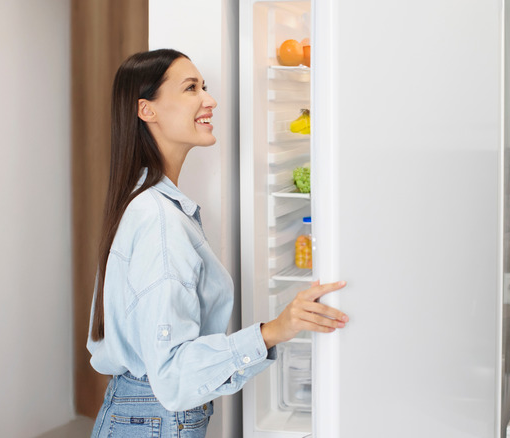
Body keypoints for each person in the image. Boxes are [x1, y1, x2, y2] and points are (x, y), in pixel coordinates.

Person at [87, 49, 347, 438]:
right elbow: (173, 376)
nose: (209, 99)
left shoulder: (149, 204)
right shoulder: (159, 220)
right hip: (155, 419)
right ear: (147, 110)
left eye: (203, 87)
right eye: (191, 88)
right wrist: (275, 329)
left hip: (145, 415)